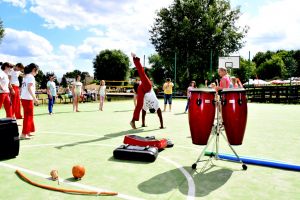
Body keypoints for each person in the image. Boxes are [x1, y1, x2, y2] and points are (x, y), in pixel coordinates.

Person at [130, 53, 152, 129]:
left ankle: (135, 121)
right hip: (142, 89)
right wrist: (135, 58)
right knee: (139, 105)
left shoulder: (146, 81)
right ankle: (133, 121)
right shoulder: (144, 78)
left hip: (144, 89)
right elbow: (140, 69)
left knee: (141, 105)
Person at [20, 63, 39, 139]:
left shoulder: (26, 76)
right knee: (28, 116)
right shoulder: (31, 77)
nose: (37, 73)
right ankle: (24, 134)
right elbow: (29, 88)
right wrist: (35, 98)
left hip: (24, 98)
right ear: (34, 69)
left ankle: (28, 131)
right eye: (37, 71)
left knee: (29, 115)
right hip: (28, 99)